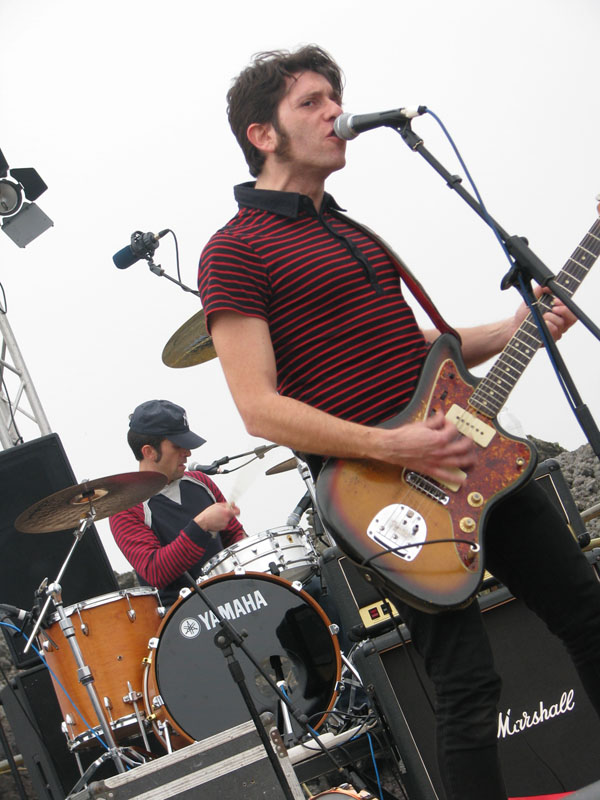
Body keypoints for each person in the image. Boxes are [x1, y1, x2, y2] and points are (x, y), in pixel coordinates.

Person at [196, 45, 600, 800]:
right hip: (382, 491)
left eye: (334, 96)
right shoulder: (234, 249)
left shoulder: (353, 231)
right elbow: (257, 405)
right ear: (263, 134)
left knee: (588, 613)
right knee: (467, 681)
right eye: (313, 102)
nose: (335, 112)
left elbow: (420, 348)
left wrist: (518, 325)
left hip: (472, 461)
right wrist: (393, 443)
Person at [109, 399, 245, 606]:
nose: (188, 453)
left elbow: (234, 535)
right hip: (183, 615)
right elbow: (155, 572)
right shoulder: (125, 507)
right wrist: (201, 525)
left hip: (236, 598)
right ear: (149, 452)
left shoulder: (201, 481)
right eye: (178, 446)